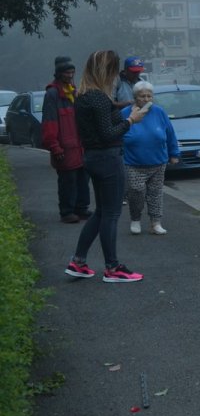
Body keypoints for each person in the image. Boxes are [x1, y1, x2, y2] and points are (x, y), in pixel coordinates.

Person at [65, 50, 149, 283]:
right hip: (108, 158)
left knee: (101, 212)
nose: (114, 77)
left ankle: (78, 261)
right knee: (111, 213)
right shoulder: (99, 98)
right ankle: (112, 268)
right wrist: (131, 120)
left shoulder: (83, 96)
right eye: (112, 71)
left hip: (92, 157)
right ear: (106, 71)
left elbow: (101, 123)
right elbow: (108, 133)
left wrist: (125, 112)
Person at [122, 80, 180, 235]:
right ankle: (135, 219)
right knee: (136, 192)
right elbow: (117, 135)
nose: (146, 99)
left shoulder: (159, 112)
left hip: (158, 161)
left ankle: (156, 223)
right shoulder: (126, 114)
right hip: (133, 162)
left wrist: (174, 153)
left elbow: (170, 134)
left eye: (149, 96)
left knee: (155, 194)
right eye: (142, 96)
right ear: (135, 97)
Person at [41, 55, 92, 223]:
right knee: (67, 182)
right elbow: (49, 123)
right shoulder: (52, 94)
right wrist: (54, 147)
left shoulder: (73, 91)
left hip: (79, 147)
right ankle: (67, 212)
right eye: (66, 72)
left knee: (83, 180)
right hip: (64, 147)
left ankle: (81, 209)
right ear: (58, 73)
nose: (70, 75)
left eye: (72, 72)